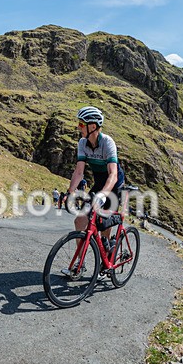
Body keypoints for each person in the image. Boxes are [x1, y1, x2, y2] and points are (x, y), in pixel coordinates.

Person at [65, 106, 125, 256]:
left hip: (114, 185)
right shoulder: (82, 143)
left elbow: (113, 175)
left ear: (92, 126)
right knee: (80, 221)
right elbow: (79, 172)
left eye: (81, 124)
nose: (78, 127)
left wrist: (103, 195)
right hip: (99, 184)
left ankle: (106, 260)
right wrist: (69, 192)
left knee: (104, 225)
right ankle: (79, 264)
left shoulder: (107, 142)